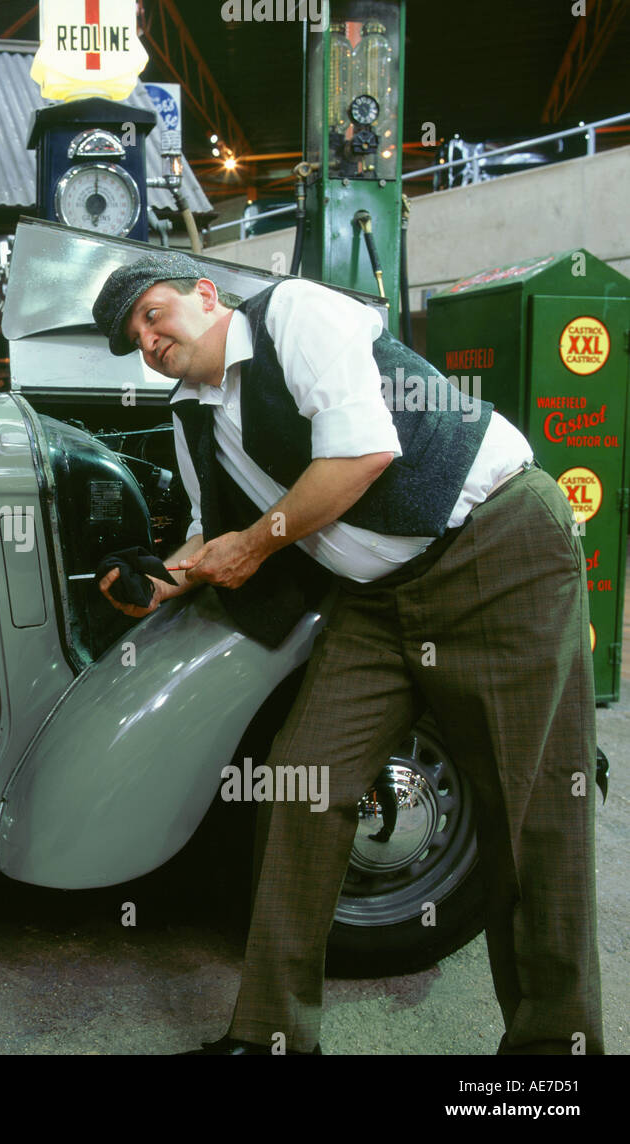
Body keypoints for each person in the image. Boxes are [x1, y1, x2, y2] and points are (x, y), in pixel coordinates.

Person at [92, 252, 602, 1055]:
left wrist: (256, 547)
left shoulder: (293, 313)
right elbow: (208, 529)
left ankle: (550, 1064)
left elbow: (361, 454)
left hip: (497, 550)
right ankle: (271, 1039)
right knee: (301, 786)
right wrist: (164, 581)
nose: (150, 341)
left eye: (154, 315)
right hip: (375, 601)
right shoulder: (191, 413)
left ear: (203, 293)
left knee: (532, 812)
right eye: (134, 339)